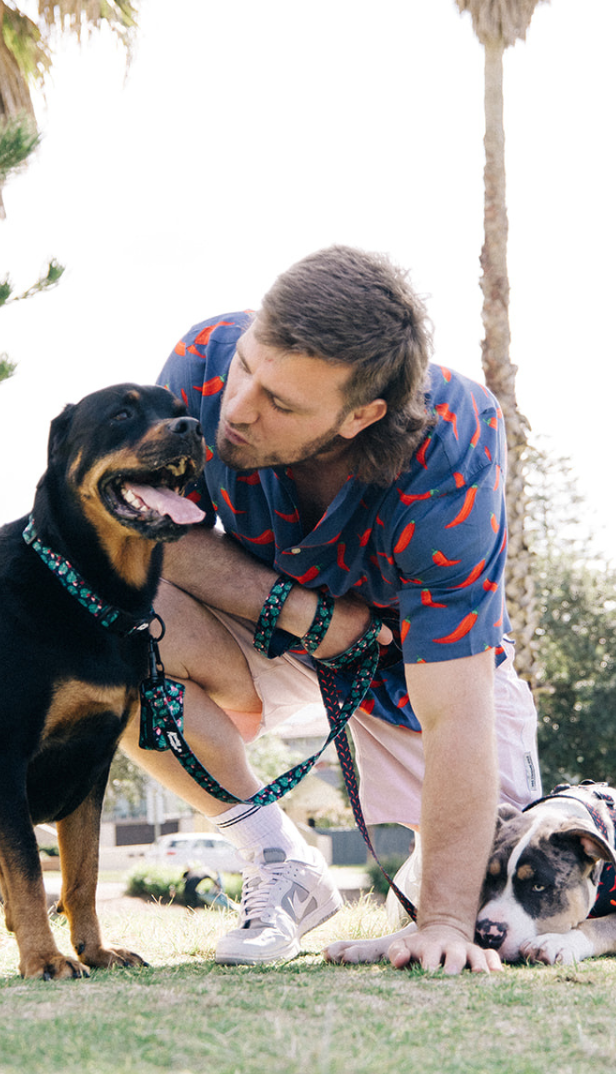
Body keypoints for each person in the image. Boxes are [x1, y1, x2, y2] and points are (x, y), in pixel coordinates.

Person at [120, 245, 541, 974]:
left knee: (505, 908)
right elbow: (149, 532)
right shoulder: (202, 359)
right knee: (106, 620)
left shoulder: (453, 437)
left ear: (361, 415)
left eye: (281, 404)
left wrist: (442, 920)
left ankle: (432, 897)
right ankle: (281, 861)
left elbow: (456, 712)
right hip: (275, 634)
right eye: (249, 367)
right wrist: (312, 618)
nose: (238, 408)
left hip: (421, 668)